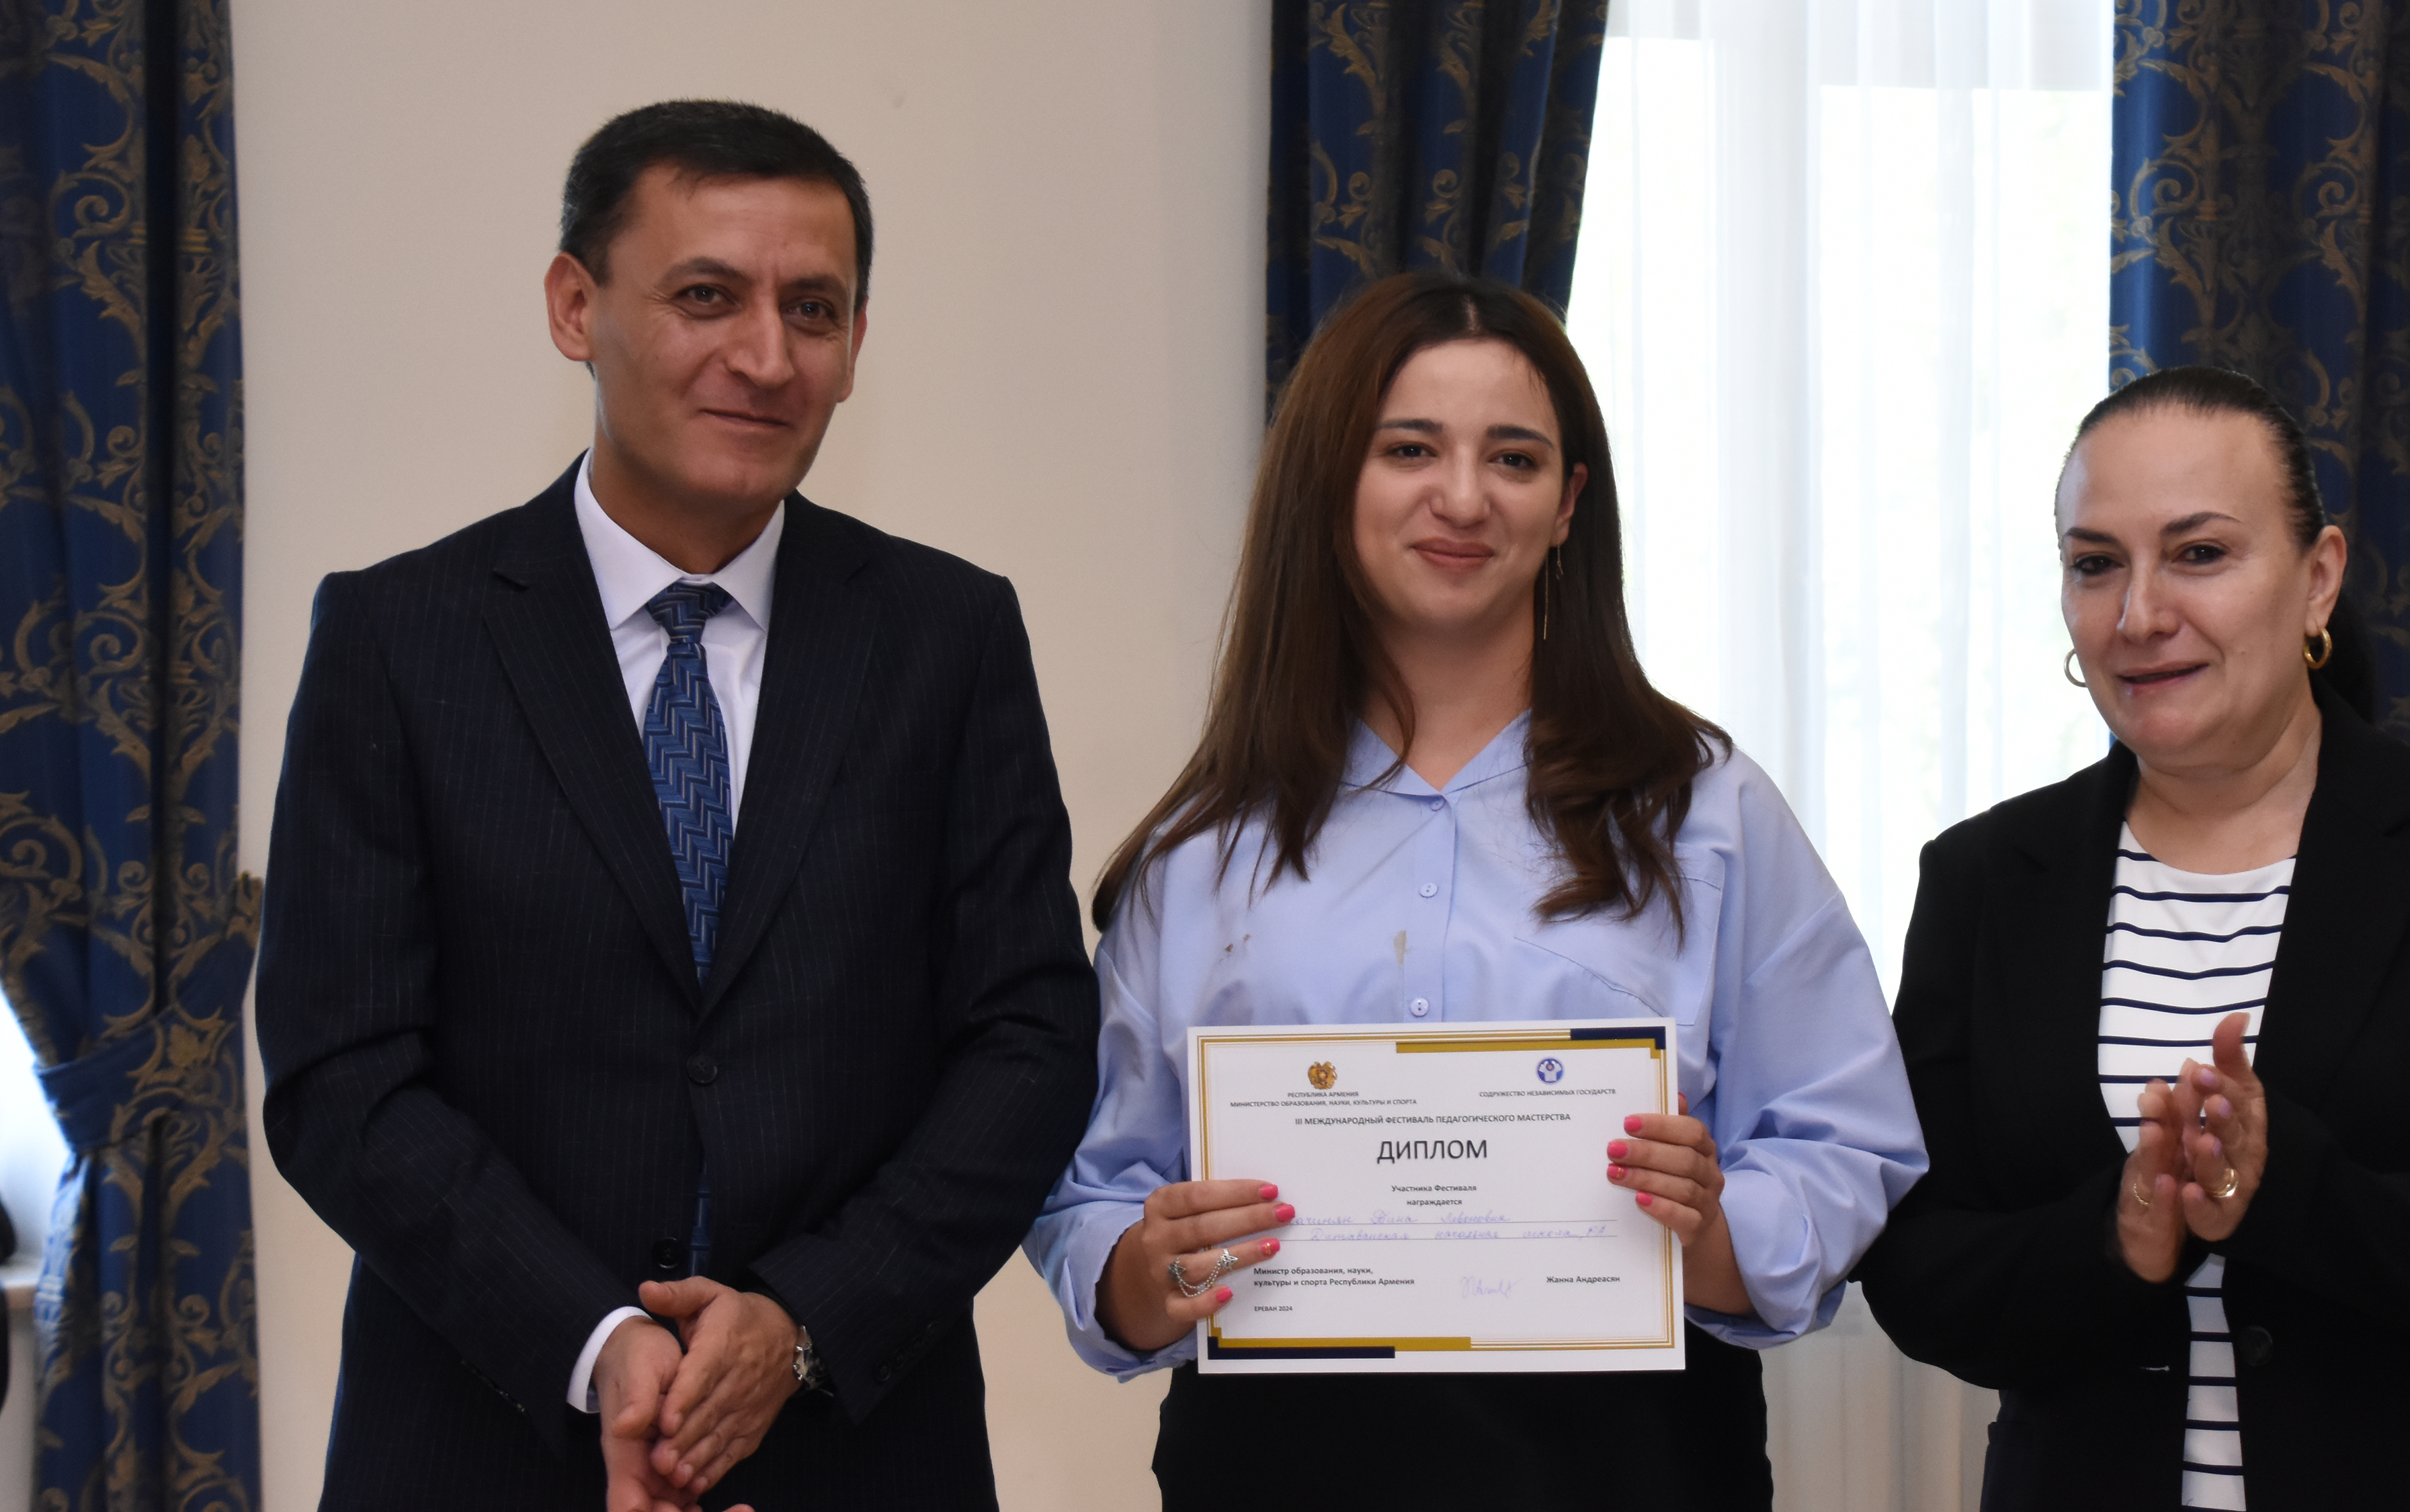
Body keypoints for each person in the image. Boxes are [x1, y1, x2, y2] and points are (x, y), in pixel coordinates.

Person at [256, 100, 1099, 1511]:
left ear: (856, 343)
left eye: (811, 309)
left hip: (859, 1448)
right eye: (706, 296)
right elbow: (341, 1074)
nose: (765, 357)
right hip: (482, 1443)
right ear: (574, 307)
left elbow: (1029, 1037)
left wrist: (804, 1315)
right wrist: (596, 1341)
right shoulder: (399, 639)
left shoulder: (949, 638)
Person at [1023, 271, 1926, 1507]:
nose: (1463, 497)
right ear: (1330, 481)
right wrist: (1148, 1269)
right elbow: (1091, 1188)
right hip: (1275, 1472)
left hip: (1635, 1469)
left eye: (1514, 457)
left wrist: (1712, 1230)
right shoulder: (1206, 847)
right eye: (1410, 449)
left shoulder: (1703, 810)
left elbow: (1847, 1140)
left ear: (1569, 504)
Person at [1856, 366, 2410, 1510]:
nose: (2139, 614)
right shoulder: (1985, 877)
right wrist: (2120, 1234)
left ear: (2318, 577)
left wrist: (2298, 1197)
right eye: (2096, 564)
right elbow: (1918, 1267)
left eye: (2199, 553)